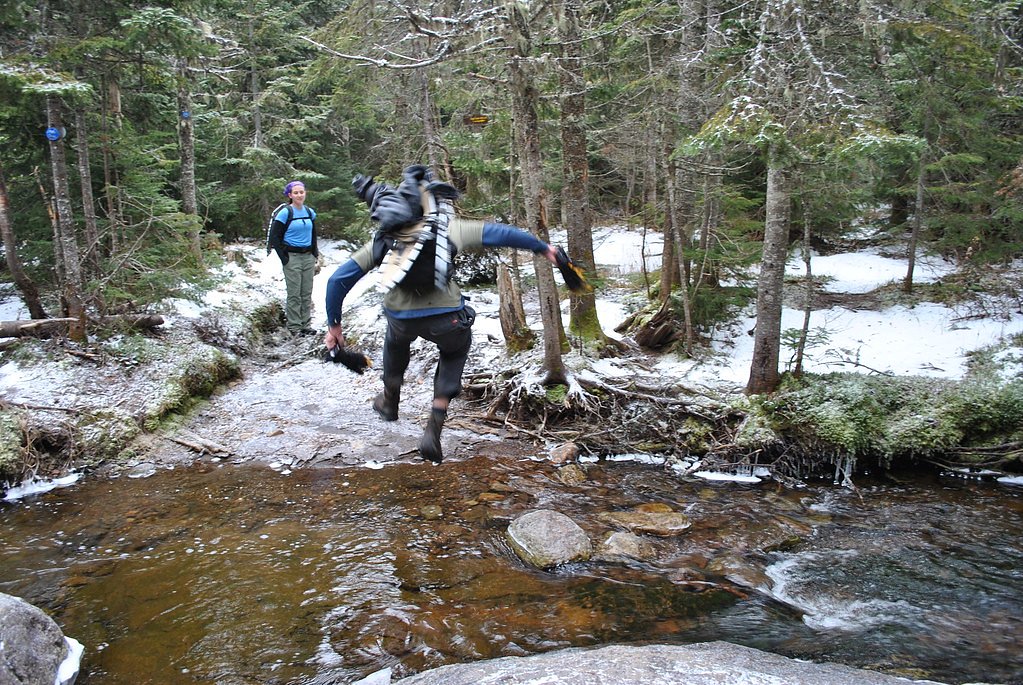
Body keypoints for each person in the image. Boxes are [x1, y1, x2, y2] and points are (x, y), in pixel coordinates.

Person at [324, 165, 559, 464]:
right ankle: (434, 425)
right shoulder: (449, 229)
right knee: (455, 351)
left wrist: (335, 326)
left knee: (395, 342)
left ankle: (389, 400)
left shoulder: (386, 237)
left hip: (401, 318)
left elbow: (337, 281)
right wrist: (543, 248)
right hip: (446, 316)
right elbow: (501, 233)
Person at [268, 180, 319, 336]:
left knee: (306, 292)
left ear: (305, 193)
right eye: (296, 193)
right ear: (290, 195)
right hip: (292, 257)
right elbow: (274, 237)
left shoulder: (309, 212)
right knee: (294, 293)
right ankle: (295, 326)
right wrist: (284, 258)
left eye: (301, 192)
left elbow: (313, 234)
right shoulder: (285, 213)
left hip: (307, 256)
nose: (299, 195)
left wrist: (314, 253)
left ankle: (306, 324)